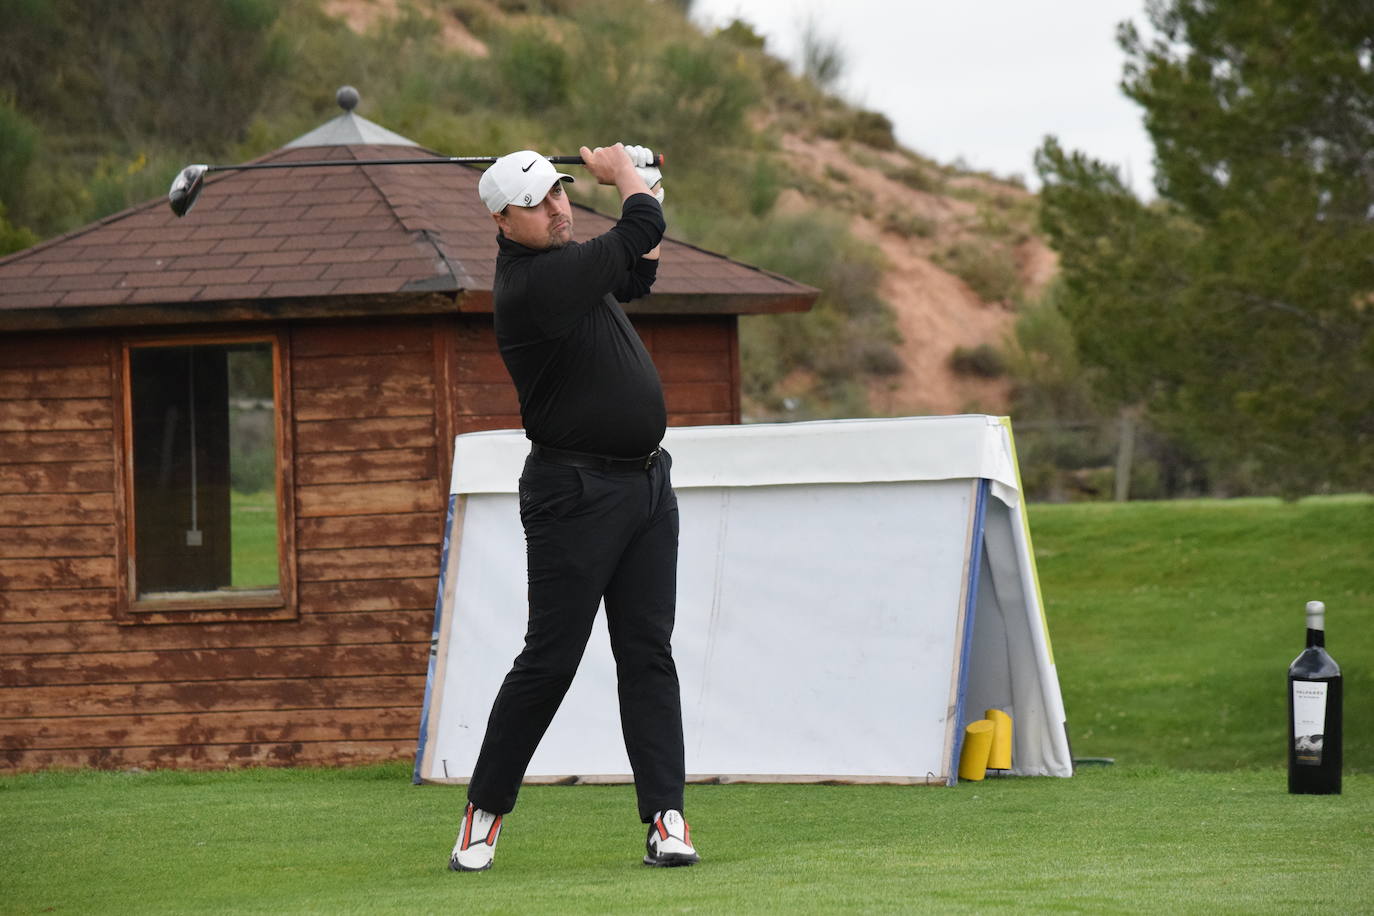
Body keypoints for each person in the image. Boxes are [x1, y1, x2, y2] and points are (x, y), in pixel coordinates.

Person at [449, 143, 699, 872]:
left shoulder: (569, 268)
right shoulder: (533, 285)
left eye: (560, 193)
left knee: (647, 654)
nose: (558, 207)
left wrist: (645, 181)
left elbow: (639, 273)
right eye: (538, 203)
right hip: (574, 494)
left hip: (647, 487)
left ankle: (666, 819)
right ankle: (483, 812)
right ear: (502, 219)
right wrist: (625, 179)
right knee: (550, 660)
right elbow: (633, 233)